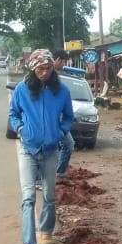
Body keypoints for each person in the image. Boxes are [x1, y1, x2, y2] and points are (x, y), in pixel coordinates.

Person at [8, 49, 75, 244]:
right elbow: (13, 114)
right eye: (40, 69)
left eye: (47, 68)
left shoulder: (61, 91)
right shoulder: (22, 89)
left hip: (50, 150)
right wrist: (20, 129)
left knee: (49, 195)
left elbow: (69, 117)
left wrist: (61, 132)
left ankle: (46, 231)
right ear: (32, 69)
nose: (44, 72)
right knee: (28, 197)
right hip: (27, 149)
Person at [52, 49, 75, 181]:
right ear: (58, 59)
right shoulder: (47, 75)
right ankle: (39, 178)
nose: (64, 65)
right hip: (48, 119)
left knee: (68, 144)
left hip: (58, 120)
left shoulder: (58, 77)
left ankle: (59, 174)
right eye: (64, 62)